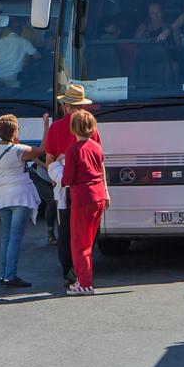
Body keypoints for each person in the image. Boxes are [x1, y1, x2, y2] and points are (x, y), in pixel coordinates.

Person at [44, 83, 102, 284]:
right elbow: (98, 159)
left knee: (66, 232)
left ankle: (69, 271)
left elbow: (49, 160)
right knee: (87, 233)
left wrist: (56, 177)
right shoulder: (91, 126)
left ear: (66, 105)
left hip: (65, 187)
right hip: (90, 188)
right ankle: (81, 269)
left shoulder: (56, 127)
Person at [0, 114, 44, 288]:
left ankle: (4, 274)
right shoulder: (19, 150)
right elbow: (43, 149)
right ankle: (10, 275)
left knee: (6, 236)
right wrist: (47, 124)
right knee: (15, 237)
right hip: (20, 195)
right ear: (14, 131)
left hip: (1, 195)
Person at [62, 109, 109, 296]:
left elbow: (67, 178)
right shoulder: (96, 147)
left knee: (79, 243)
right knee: (88, 241)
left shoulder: (72, 150)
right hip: (98, 195)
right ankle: (84, 280)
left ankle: (85, 282)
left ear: (74, 128)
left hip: (82, 197)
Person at [0, 19, 40, 87]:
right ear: (21, 30)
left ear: (10, 30)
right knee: (13, 96)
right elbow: (37, 56)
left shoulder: (0, 42)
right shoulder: (24, 42)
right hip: (14, 77)